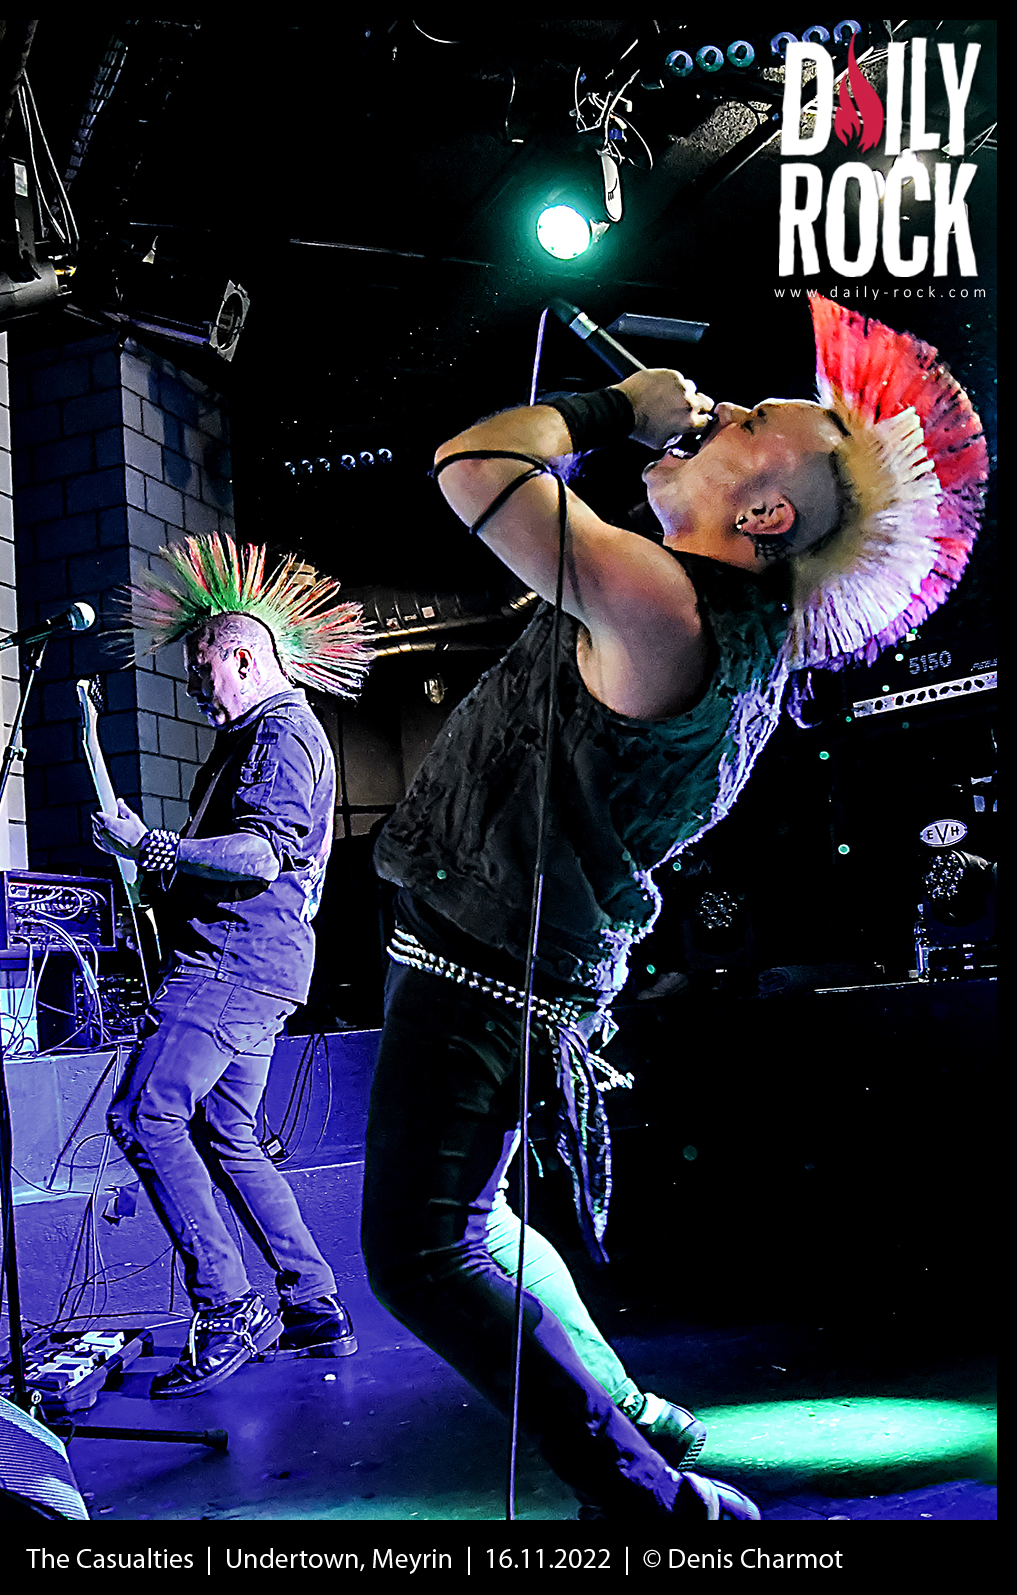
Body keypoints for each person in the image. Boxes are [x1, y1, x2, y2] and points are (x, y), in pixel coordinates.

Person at [362, 294, 987, 1519]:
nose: (718, 409)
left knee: (423, 1255)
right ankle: (635, 1411)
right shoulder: (711, 619)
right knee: (481, 1224)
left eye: (749, 422)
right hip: (488, 955)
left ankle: (651, 1499)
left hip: (484, 969)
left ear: (762, 515)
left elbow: (470, 466)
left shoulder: (669, 609)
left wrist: (611, 409)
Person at [93, 534, 373, 1398]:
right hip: (259, 968)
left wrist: (154, 845)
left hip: (232, 968)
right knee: (226, 1132)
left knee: (145, 1114)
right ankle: (314, 1305)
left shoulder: (281, 735)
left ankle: (227, 1304)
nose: (193, 688)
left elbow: (259, 855)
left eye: (200, 670)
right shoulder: (264, 734)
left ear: (243, 658)